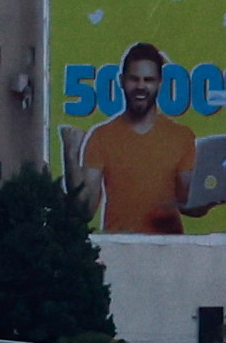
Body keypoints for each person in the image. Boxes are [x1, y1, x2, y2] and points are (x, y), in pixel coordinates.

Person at [71, 38, 203, 232]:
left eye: (148, 80)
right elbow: (85, 210)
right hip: (118, 248)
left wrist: (212, 200)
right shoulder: (101, 137)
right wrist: (71, 154)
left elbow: (189, 203)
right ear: (121, 81)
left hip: (169, 249)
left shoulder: (182, 136)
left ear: (159, 83)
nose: (141, 86)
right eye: (134, 79)